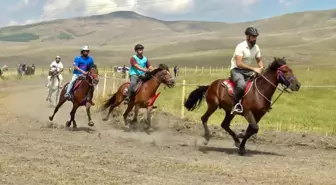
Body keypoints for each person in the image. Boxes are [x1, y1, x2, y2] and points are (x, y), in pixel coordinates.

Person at [229, 27, 265, 114]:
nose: (255, 38)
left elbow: (259, 60)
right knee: (241, 85)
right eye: (253, 36)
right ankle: (235, 105)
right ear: (248, 36)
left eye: (256, 36)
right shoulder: (241, 46)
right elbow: (239, 63)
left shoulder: (256, 47)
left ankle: (261, 103)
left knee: (262, 81)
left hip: (247, 70)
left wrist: (261, 68)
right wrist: (254, 69)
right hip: (237, 70)